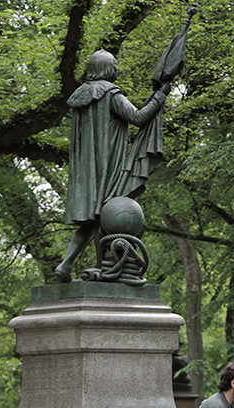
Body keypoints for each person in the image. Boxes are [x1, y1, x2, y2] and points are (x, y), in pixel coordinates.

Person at [54, 49, 170, 282]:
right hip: (108, 165)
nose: (118, 69)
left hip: (87, 170)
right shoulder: (111, 94)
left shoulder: (81, 96)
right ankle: (98, 267)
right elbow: (137, 117)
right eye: (114, 64)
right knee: (103, 215)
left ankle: (68, 265)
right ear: (106, 69)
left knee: (96, 218)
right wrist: (159, 97)